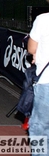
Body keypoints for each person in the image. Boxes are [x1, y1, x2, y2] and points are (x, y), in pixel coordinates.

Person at [27, 11, 49, 155]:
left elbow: (31, 48)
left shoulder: (43, 19)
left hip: (47, 81)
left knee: (40, 127)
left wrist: (37, 54)